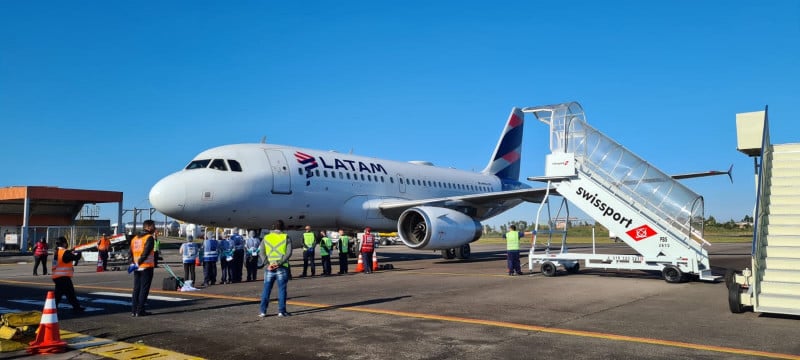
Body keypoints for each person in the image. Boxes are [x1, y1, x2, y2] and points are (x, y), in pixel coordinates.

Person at [258, 220, 293, 318]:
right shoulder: (286, 237)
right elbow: (288, 253)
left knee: (266, 290)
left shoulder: (266, 237)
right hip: (281, 267)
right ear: (283, 227)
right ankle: (281, 311)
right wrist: (279, 262)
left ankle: (262, 311)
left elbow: (261, 252)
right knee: (282, 290)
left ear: (273, 227)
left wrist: (267, 263)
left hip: (269, 268)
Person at [130, 219, 156, 317]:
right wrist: (139, 263)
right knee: (144, 289)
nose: (155, 228)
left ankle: (133, 310)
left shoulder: (135, 238)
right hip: (146, 267)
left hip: (136, 267)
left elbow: (130, 253)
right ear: (148, 227)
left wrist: (133, 264)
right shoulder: (149, 238)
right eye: (153, 226)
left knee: (136, 288)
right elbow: (146, 253)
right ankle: (140, 310)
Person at [51, 236, 84, 313]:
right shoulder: (65, 252)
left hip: (57, 276)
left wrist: (70, 251)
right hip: (63, 277)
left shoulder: (57, 251)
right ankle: (76, 308)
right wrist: (79, 253)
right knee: (67, 293)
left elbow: (65, 256)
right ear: (64, 243)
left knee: (65, 293)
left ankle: (76, 307)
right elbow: (75, 258)